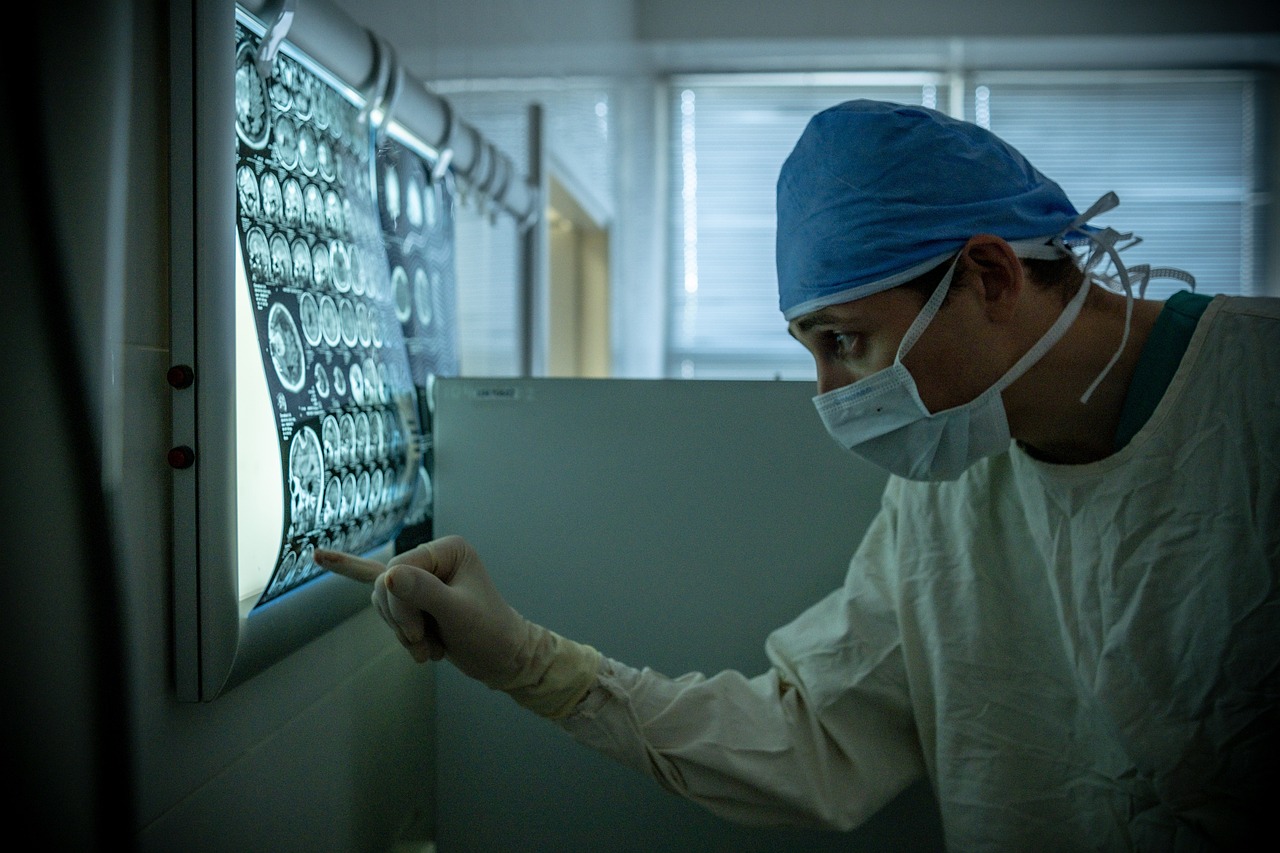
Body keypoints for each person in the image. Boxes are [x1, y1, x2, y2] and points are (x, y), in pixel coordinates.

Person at [315, 99, 1279, 850]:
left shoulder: (1256, 401)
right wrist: (528, 660)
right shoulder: (943, 504)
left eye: (845, 342)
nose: (827, 391)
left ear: (988, 275)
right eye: (809, 348)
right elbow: (812, 737)